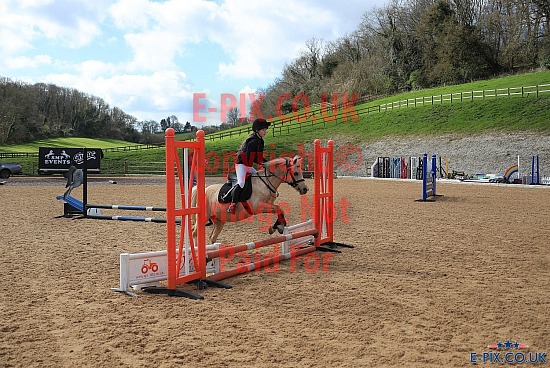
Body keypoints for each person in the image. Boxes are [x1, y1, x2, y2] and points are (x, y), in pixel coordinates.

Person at [227, 118, 271, 214]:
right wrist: (263, 163)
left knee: (260, 179)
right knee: (242, 182)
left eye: (265, 129)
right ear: (257, 130)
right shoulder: (252, 142)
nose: (265, 131)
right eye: (263, 130)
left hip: (249, 164)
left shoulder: (261, 141)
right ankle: (233, 204)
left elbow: (259, 157)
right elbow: (249, 158)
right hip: (242, 164)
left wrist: (267, 163)